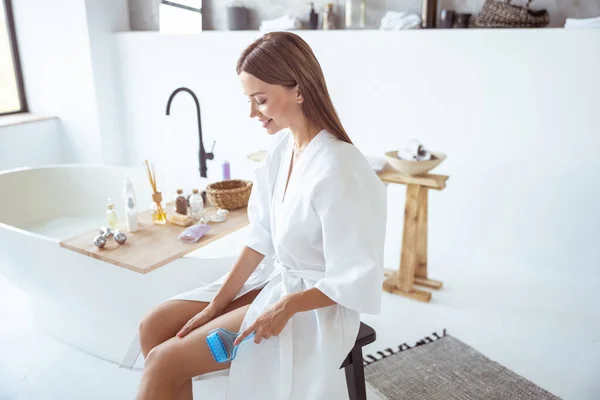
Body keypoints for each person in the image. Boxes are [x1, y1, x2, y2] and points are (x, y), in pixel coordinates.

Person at [134, 31, 387, 400]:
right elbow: (261, 238)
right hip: (277, 282)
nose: (252, 112)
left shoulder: (341, 168)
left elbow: (354, 278)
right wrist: (216, 304)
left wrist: (286, 307)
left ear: (298, 90)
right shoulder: (283, 149)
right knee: (153, 326)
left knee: (163, 361)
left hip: (314, 308)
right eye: (249, 100)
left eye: (260, 100)